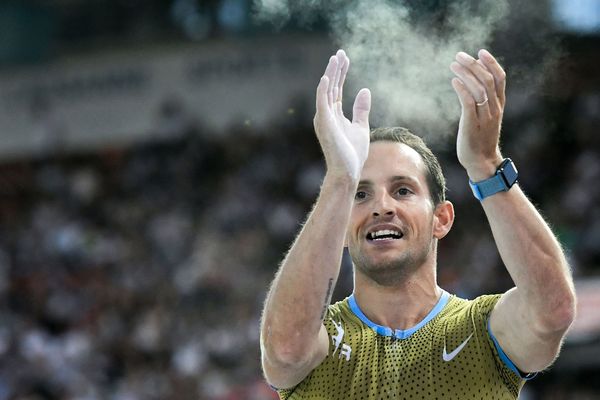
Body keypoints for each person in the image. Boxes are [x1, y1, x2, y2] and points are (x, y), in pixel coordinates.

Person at [259, 49, 576, 399]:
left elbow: (553, 309)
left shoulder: (482, 330)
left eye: (403, 190)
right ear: (342, 231)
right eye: (361, 195)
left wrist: (486, 164)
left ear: (441, 219)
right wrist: (339, 180)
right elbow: (284, 348)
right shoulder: (321, 340)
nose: (382, 206)